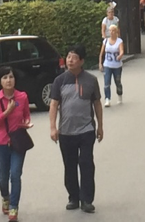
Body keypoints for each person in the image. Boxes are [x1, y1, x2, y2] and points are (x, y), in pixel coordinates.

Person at [49, 44, 103, 214]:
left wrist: (100, 125)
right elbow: (54, 104)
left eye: (74, 57)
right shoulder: (60, 81)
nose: (69, 60)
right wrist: (53, 127)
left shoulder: (91, 80)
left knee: (86, 163)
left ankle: (87, 199)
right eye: (68, 56)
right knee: (70, 165)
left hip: (86, 130)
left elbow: (96, 103)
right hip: (66, 131)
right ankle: (73, 197)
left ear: (82, 61)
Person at [0, 66, 32, 221]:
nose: (8, 80)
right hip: (1, 142)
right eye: (5, 78)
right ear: (0, 81)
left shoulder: (22, 96)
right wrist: (7, 112)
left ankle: (14, 207)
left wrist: (26, 122)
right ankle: (5, 198)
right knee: (3, 176)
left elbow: (26, 115)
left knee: (15, 174)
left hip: (18, 142)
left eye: (11, 77)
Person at [98, 24, 124, 106]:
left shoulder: (119, 41)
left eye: (113, 30)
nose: (111, 32)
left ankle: (119, 95)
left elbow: (122, 50)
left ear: (116, 32)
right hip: (107, 65)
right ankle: (107, 99)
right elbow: (101, 53)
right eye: (110, 30)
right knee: (107, 83)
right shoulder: (105, 41)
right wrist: (100, 63)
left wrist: (120, 55)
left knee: (118, 82)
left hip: (117, 66)